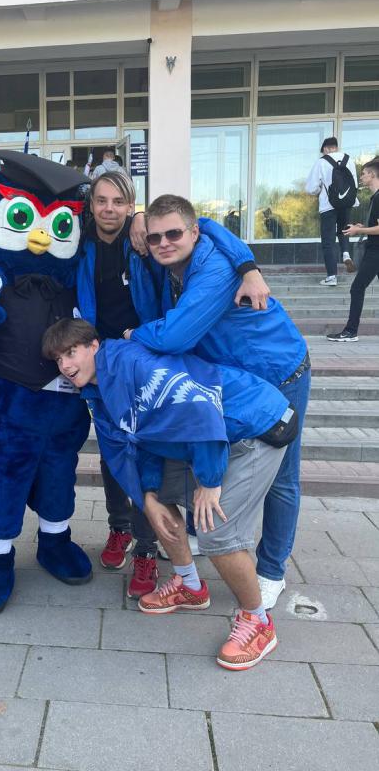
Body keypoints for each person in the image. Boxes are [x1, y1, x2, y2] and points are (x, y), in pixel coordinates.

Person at [43, 319, 295, 670]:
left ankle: (259, 623)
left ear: (94, 346)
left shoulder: (133, 364)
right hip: (212, 432)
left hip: (256, 424)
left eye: (72, 353)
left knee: (214, 531)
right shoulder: (99, 389)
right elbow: (141, 440)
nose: (66, 366)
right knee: (157, 500)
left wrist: (209, 480)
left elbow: (198, 403)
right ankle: (190, 586)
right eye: (58, 359)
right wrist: (147, 492)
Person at [125, 194, 309, 611]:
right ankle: (208, 532)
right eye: (155, 237)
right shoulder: (174, 265)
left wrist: (134, 335)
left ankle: (271, 570)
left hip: (280, 372)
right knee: (215, 452)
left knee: (282, 479)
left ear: (193, 232)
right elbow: (203, 224)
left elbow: (175, 336)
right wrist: (137, 216)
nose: (163, 243)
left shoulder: (216, 268)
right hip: (235, 377)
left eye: (174, 234)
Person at [76, 170, 162, 596]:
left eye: (118, 202)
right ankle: (119, 527)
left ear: (131, 205)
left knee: (144, 454)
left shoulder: (143, 241)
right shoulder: (79, 242)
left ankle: (147, 548)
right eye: (101, 200)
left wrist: (143, 219)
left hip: (142, 359)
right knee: (112, 452)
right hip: (101, 362)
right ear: (91, 204)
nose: (109, 209)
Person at [327, 157, 379, 342]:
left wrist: (359, 230)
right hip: (374, 249)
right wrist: (363, 226)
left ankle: (350, 331)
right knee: (358, 288)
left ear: (372, 175)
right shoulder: (375, 197)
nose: (361, 177)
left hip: (376, 251)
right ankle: (350, 331)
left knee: (357, 288)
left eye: (363, 174)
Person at [306, 137, 358, 285]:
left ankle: (331, 277)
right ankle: (346, 254)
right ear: (336, 147)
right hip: (347, 203)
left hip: (328, 205)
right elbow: (354, 183)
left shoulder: (322, 162)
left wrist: (319, 191)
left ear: (326, 149)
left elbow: (311, 188)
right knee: (344, 230)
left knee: (328, 240)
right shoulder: (349, 160)